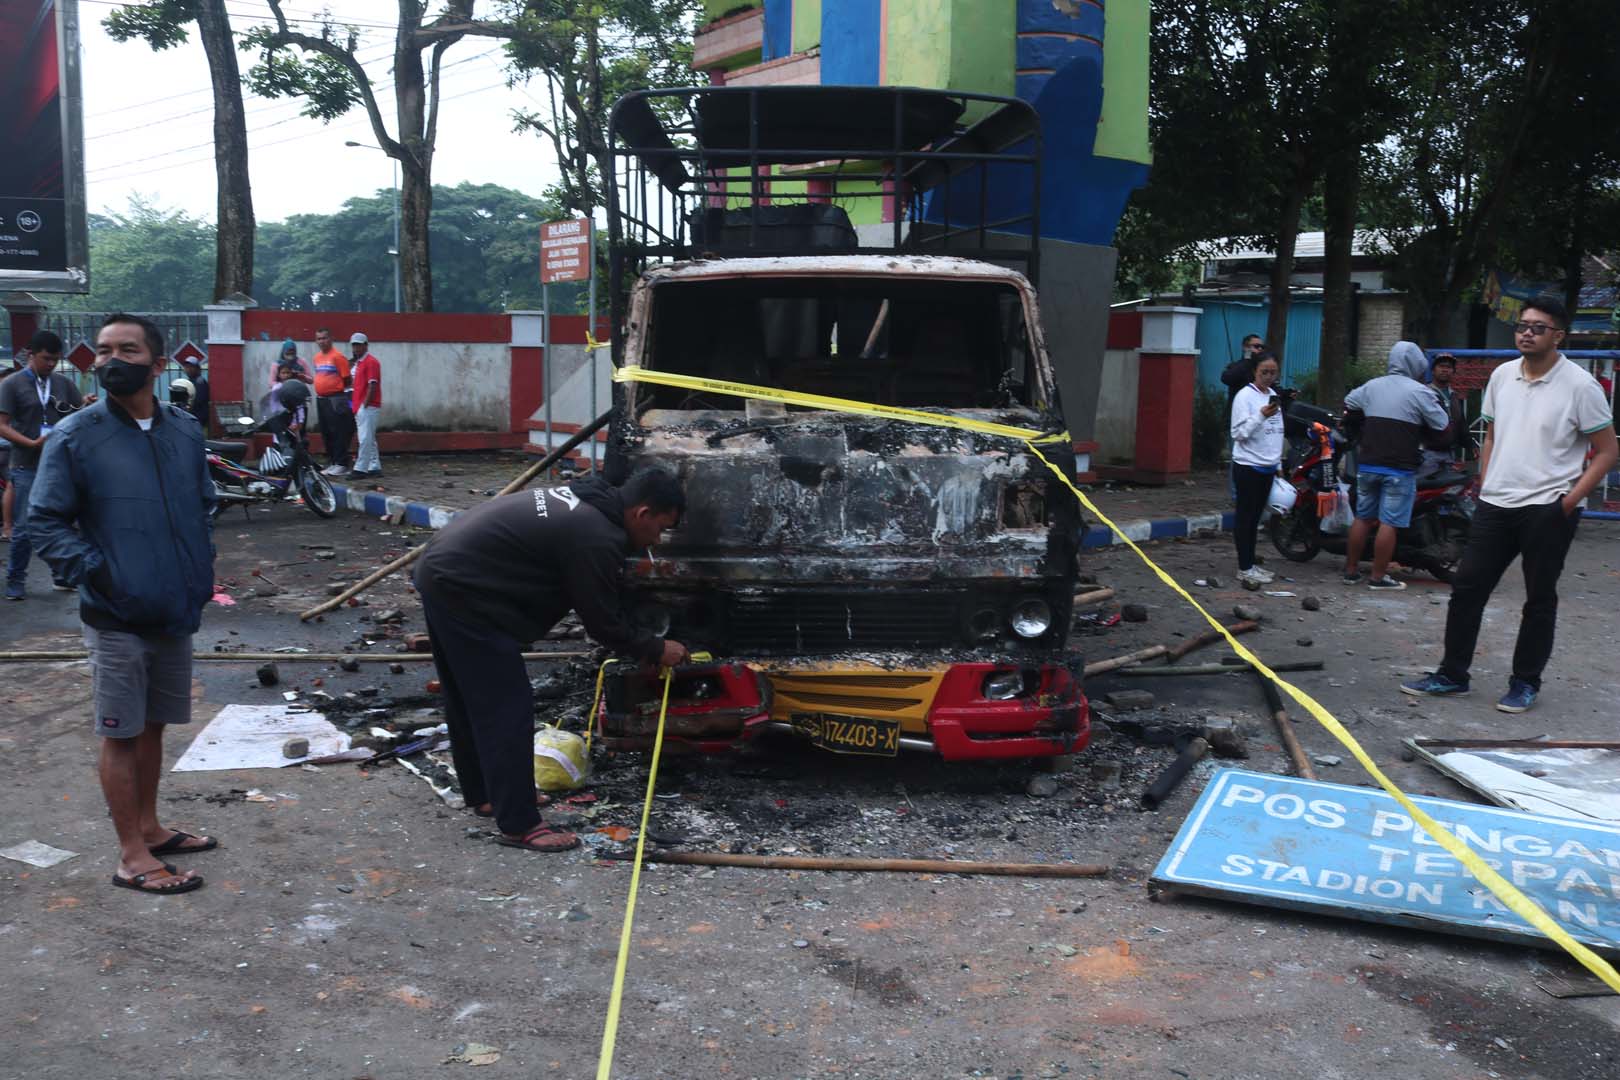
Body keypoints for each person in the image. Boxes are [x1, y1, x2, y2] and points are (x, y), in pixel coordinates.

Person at [30, 313, 219, 895]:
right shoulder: (76, 435)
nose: (113, 359)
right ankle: (132, 856)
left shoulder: (184, 431)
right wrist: (101, 574)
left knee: (155, 725)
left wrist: (195, 571)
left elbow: (201, 503)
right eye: (105, 349)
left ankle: (151, 827)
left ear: (157, 364)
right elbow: (44, 520)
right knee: (121, 729)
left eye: (128, 349)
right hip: (114, 611)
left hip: (174, 606)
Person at [412, 469, 691, 852]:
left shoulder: (591, 503)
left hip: (445, 570)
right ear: (642, 513)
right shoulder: (596, 535)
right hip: (464, 590)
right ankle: (520, 824)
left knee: (469, 698)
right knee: (507, 706)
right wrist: (657, 649)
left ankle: (486, 794)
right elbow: (602, 623)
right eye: (660, 529)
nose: (655, 542)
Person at [1402, 297, 1617, 713]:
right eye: (1523, 325)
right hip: (1495, 504)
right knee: (1467, 589)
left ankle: (1524, 683)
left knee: (1538, 598)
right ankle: (1452, 674)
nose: (1527, 332)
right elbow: (1493, 433)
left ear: (1558, 336)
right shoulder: (1501, 376)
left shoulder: (1580, 386)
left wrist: (1569, 502)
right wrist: (1485, 480)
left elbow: (1607, 451)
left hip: (1548, 508)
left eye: (1538, 327)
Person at [1340, 341, 1454, 590]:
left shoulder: (1372, 386)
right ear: (1416, 365)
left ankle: (1350, 572)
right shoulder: (1420, 392)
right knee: (1388, 522)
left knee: (1363, 517)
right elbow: (1443, 425)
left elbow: (1349, 403)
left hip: (1368, 464)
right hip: (1399, 469)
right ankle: (1378, 578)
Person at [0, 331, 93, 600]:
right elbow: (2, 426)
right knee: (25, 528)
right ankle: (16, 580)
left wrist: (85, 405)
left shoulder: (62, 383)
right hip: (26, 464)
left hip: (59, 464)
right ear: (31, 354)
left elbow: (76, 416)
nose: (50, 364)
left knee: (61, 522)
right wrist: (30, 443)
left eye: (55, 359)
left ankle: (62, 575)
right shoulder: (12, 385)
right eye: (46, 359)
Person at [1229, 350, 1284, 586]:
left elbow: (1276, 431)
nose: (1269, 377)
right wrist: (1260, 416)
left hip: (1268, 466)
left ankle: (1251, 564)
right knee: (1246, 518)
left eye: (1273, 373)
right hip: (1248, 465)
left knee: (1256, 520)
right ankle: (1244, 568)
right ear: (1254, 372)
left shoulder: (1272, 395)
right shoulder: (1245, 397)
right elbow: (1238, 433)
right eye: (1264, 372)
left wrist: (1278, 462)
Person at [1221, 335, 1267, 499]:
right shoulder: (1238, 366)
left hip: (1258, 421)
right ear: (1246, 348)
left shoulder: (1261, 371)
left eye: (1262, 347)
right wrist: (1247, 360)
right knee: (1238, 458)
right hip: (1239, 422)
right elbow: (1227, 378)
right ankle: (1236, 494)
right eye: (1255, 346)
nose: (1259, 350)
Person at [311, 327, 354, 476]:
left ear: (331, 339)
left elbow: (347, 379)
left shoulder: (338, 357)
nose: (321, 341)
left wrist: (347, 401)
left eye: (324, 338)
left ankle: (341, 463)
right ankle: (332, 461)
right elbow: (321, 376)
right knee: (326, 432)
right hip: (321, 399)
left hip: (336, 398)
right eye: (319, 339)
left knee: (338, 431)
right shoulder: (317, 358)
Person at [1418, 353, 1468, 478]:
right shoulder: (1423, 393)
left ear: (1453, 371)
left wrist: (1468, 444)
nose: (1445, 369)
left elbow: (1460, 421)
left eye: (1449, 367)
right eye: (1441, 366)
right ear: (1433, 370)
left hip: (1449, 454)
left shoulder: (1454, 395)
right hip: (1427, 454)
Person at [348, 332, 383, 479]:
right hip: (360, 405)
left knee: (364, 438)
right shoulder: (359, 363)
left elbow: (372, 385)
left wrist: (365, 404)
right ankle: (374, 465)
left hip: (367, 405)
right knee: (369, 437)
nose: (356, 348)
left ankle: (361, 468)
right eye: (354, 345)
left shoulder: (371, 362)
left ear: (366, 345)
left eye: (358, 345)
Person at [177, 355, 210, 430]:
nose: (188, 369)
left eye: (191, 367)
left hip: (197, 419)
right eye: (186, 367)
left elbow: (196, 401)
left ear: (197, 369)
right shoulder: (190, 381)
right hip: (191, 418)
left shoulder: (199, 382)